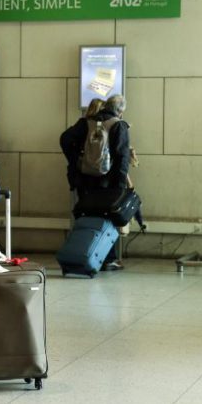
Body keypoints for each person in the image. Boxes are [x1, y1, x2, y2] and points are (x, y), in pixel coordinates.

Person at [60, 94, 131, 271]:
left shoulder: (86, 122)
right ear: (120, 111)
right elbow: (122, 157)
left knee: (86, 217)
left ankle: (84, 253)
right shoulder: (119, 125)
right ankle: (108, 259)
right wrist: (120, 186)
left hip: (85, 180)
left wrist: (76, 160)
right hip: (108, 183)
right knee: (108, 219)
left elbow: (65, 139)